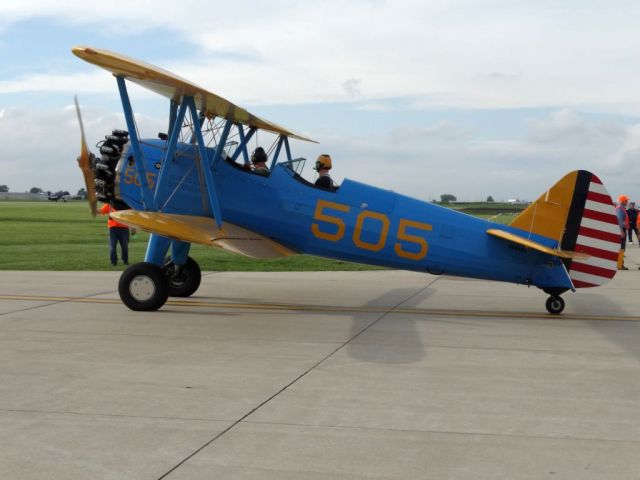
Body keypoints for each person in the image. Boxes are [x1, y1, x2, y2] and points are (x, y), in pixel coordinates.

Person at [100, 201, 131, 266]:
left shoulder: (127, 205)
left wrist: (133, 227)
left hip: (124, 228)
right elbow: (101, 211)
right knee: (113, 246)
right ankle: (113, 261)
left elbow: (132, 216)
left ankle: (125, 260)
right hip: (113, 228)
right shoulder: (110, 204)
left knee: (125, 246)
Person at [616, 194, 630, 270]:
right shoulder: (620, 209)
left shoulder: (622, 208)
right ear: (622, 201)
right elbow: (619, 220)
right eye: (626, 200)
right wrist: (621, 231)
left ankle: (620, 264)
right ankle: (620, 264)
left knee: (622, 248)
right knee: (622, 248)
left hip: (622, 229)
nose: (627, 202)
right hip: (621, 230)